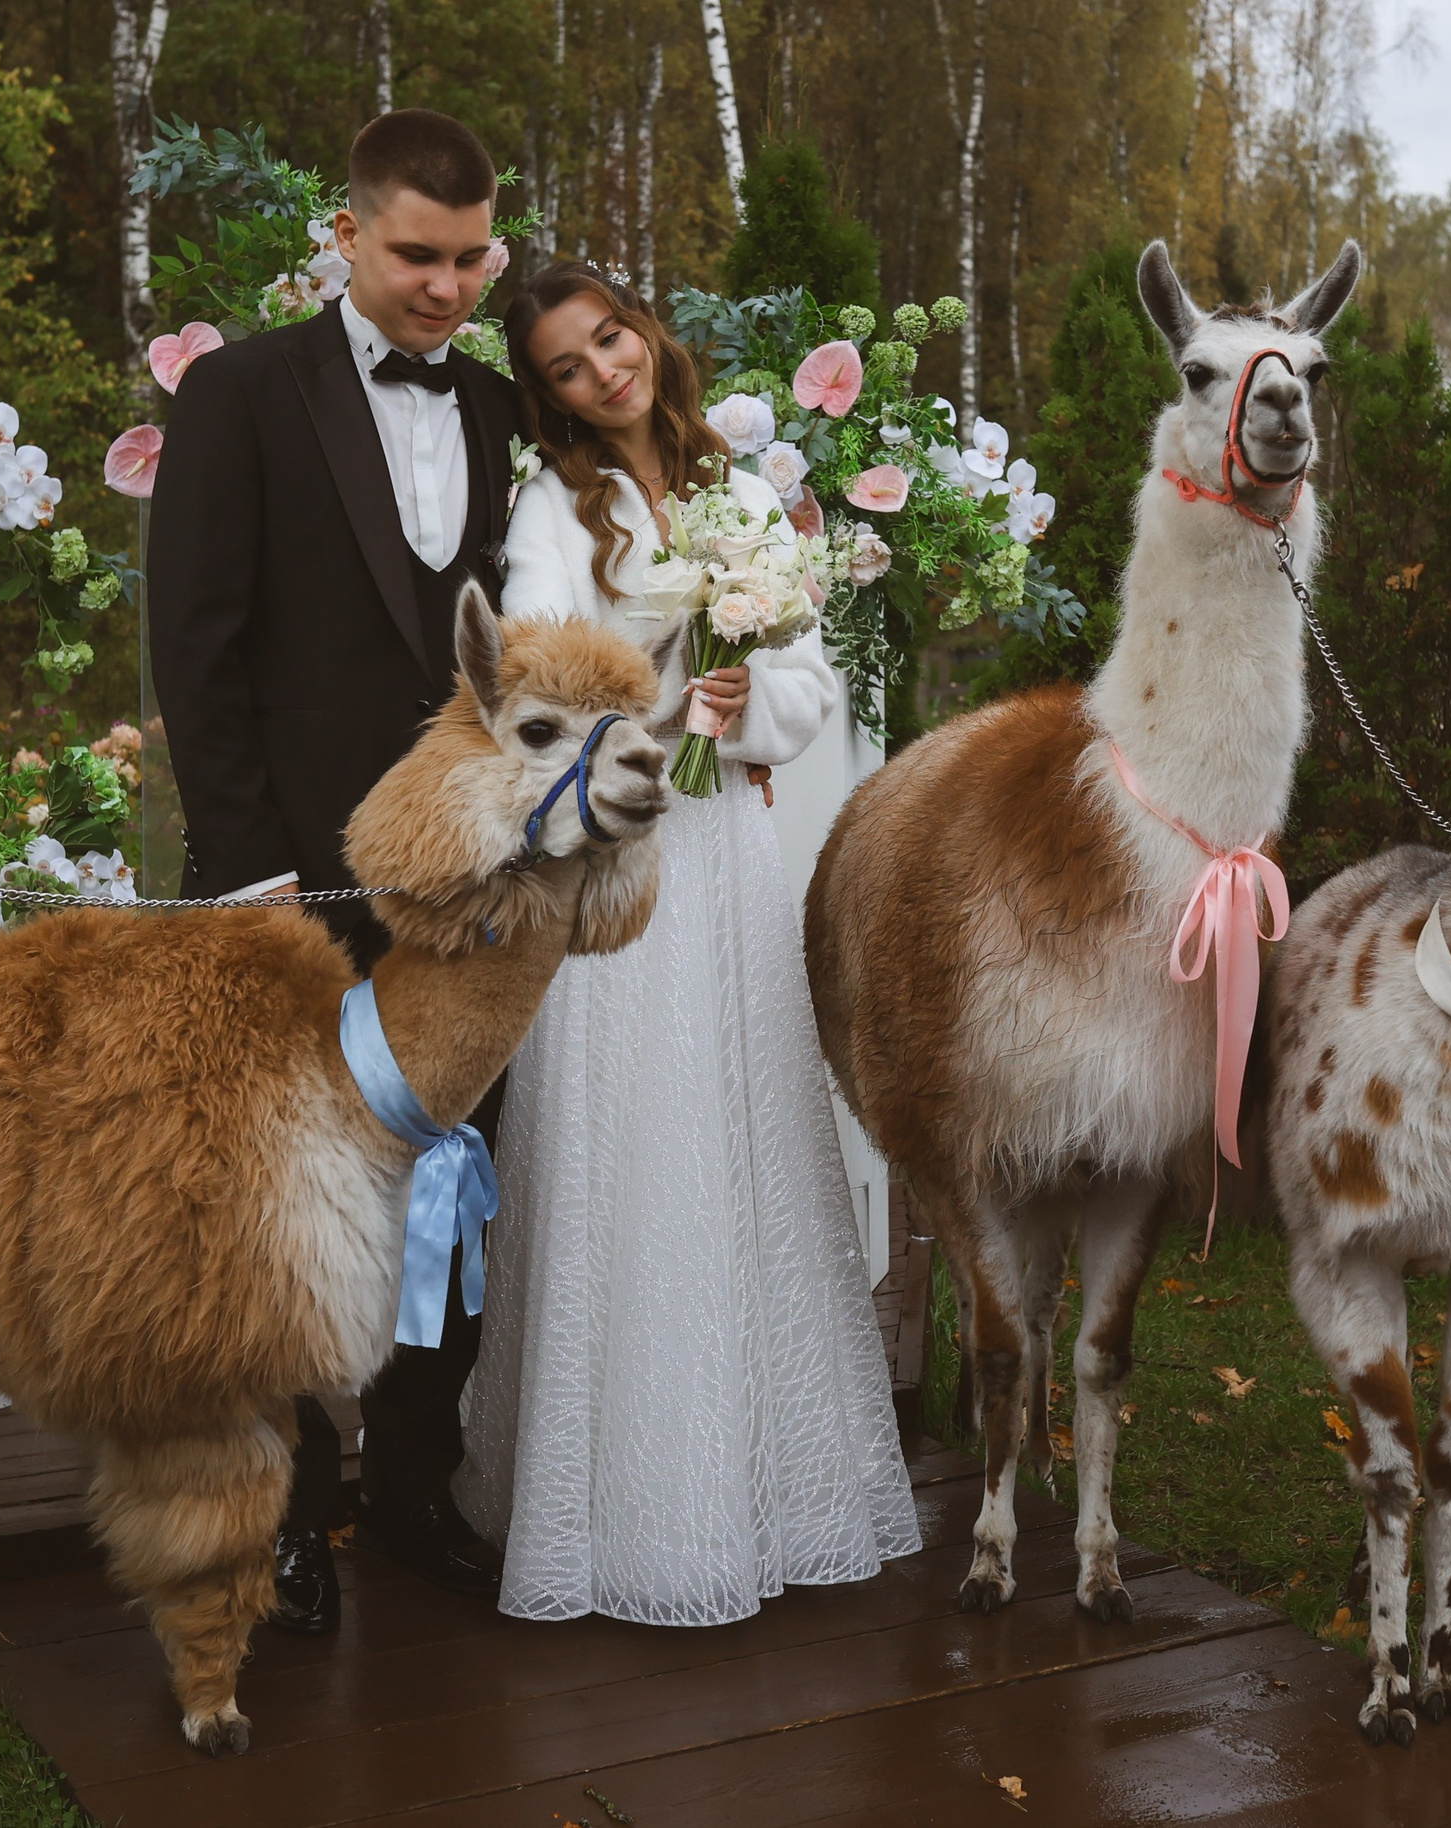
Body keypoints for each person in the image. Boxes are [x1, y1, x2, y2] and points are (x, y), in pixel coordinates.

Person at [453, 263, 921, 1624]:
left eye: (611, 337)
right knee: (638, 1144)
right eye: (568, 367)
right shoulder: (559, 507)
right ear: (550, 400)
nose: (607, 372)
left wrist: (748, 694)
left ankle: (773, 1487)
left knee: (746, 1134)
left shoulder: (745, 483)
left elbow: (810, 679)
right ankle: (621, 1512)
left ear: (644, 330)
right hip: (622, 861)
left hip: (728, 862)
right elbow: (535, 672)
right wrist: (665, 673)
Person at [147, 108, 522, 1632]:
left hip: (476, 897)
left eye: (471, 259)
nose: (445, 287)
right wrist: (251, 882)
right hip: (290, 892)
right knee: (288, 1214)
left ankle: (417, 1487)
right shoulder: (241, 396)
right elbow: (198, 650)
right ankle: (289, 1515)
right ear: (350, 236)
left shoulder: (503, 410)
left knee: (452, 1192)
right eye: (417, 256)